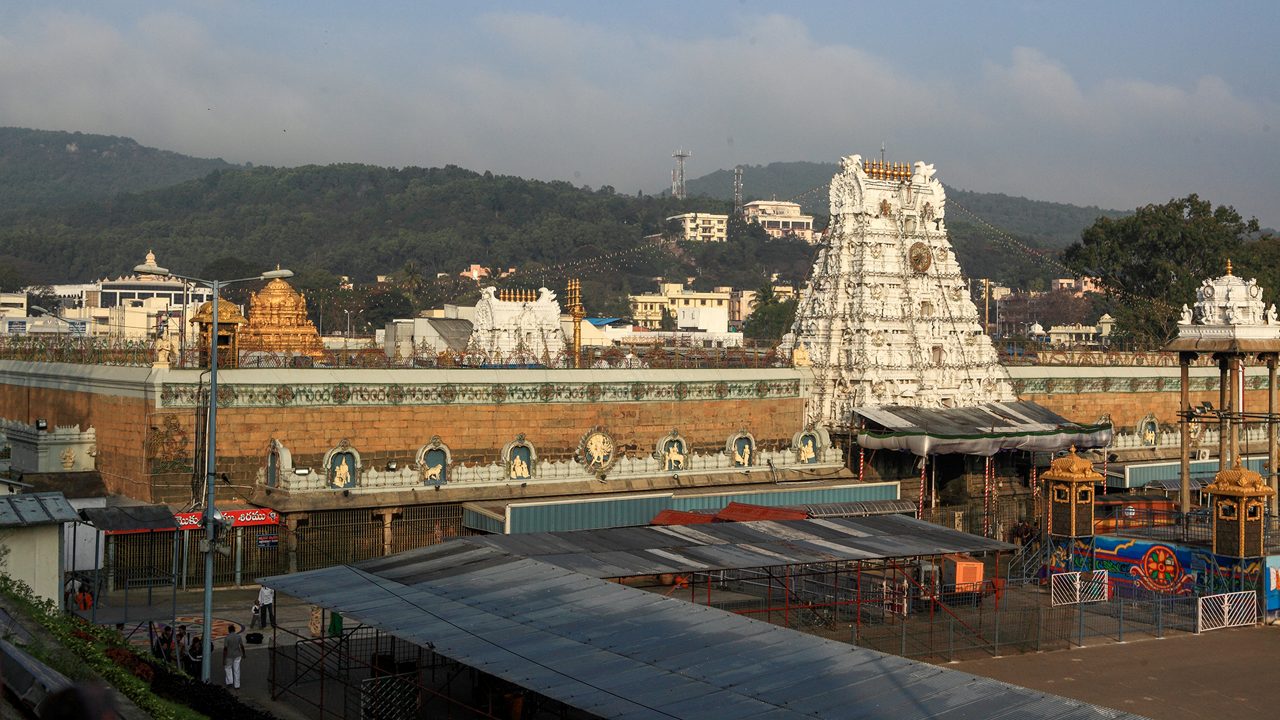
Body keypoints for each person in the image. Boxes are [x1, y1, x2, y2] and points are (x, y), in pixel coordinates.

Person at [223, 623, 246, 689]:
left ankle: (229, 682)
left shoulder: (227, 638)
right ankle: (237, 685)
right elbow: (242, 646)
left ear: (229, 630)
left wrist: (223, 659)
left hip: (229, 655)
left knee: (228, 668)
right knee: (237, 669)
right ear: (234, 630)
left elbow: (225, 649)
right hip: (237, 654)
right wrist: (244, 654)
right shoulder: (238, 636)